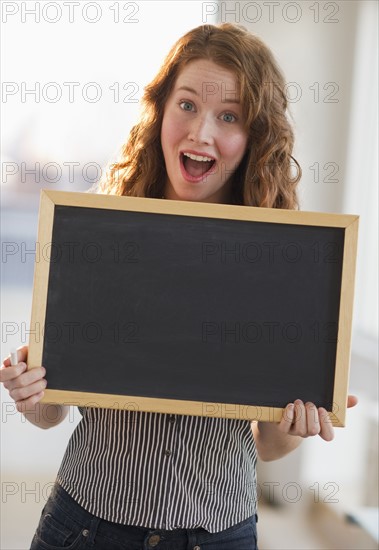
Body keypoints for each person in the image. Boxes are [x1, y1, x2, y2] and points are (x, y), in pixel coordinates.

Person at [1, 23, 357, 550]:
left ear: (254, 136)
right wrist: (30, 393)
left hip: (218, 534)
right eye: (187, 105)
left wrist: (295, 423)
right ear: (161, 111)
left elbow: (267, 446)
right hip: (86, 524)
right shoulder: (99, 235)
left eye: (229, 116)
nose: (201, 132)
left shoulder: (280, 260)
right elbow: (53, 412)